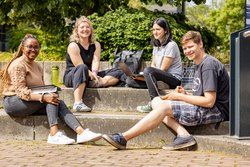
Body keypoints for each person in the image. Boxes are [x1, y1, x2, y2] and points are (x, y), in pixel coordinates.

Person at [102, 30, 229, 150]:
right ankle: (183, 135)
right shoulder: (198, 63)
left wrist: (179, 97)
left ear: (200, 44)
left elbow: (209, 102)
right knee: (156, 101)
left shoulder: (208, 65)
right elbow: (202, 95)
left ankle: (123, 138)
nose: (187, 51)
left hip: (216, 111)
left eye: (190, 47)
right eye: (185, 48)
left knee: (163, 107)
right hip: (205, 108)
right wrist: (184, 94)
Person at [0, 34, 102, 145]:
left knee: (55, 99)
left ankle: (81, 132)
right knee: (50, 98)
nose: (33, 49)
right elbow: (21, 92)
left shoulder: (37, 66)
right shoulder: (18, 65)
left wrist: (47, 93)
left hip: (29, 100)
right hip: (14, 102)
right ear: (23, 48)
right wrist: (43, 97)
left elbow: (40, 88)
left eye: (36, 47)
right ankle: (54, 134)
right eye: (30, 47)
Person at [63, 16, 126, 112]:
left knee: (120, 69)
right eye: (82, 27)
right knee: (82, 67)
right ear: (77, 30)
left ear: (91, 30)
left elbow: (95, 61)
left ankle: (101, 82)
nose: (85, 29)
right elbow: (79, 65)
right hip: (74, 75)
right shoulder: (73, 46)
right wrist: (92, 75)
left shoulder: (96, 45)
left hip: (90, 74)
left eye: (87, 27)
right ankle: (78, 103)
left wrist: (95, 74)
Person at [132, 17, 182, 113]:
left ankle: (154, 102)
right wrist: (142, 76)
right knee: (130, 80)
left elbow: (163, 69)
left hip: (173, 79)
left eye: (158, 29)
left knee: (148, 71)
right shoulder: (156, 45)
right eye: (153, 30)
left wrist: (147, 74)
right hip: (159, 77)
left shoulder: (171, 45)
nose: (155, 32)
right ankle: (154, 85)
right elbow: (153, 64)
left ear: (166, 31)